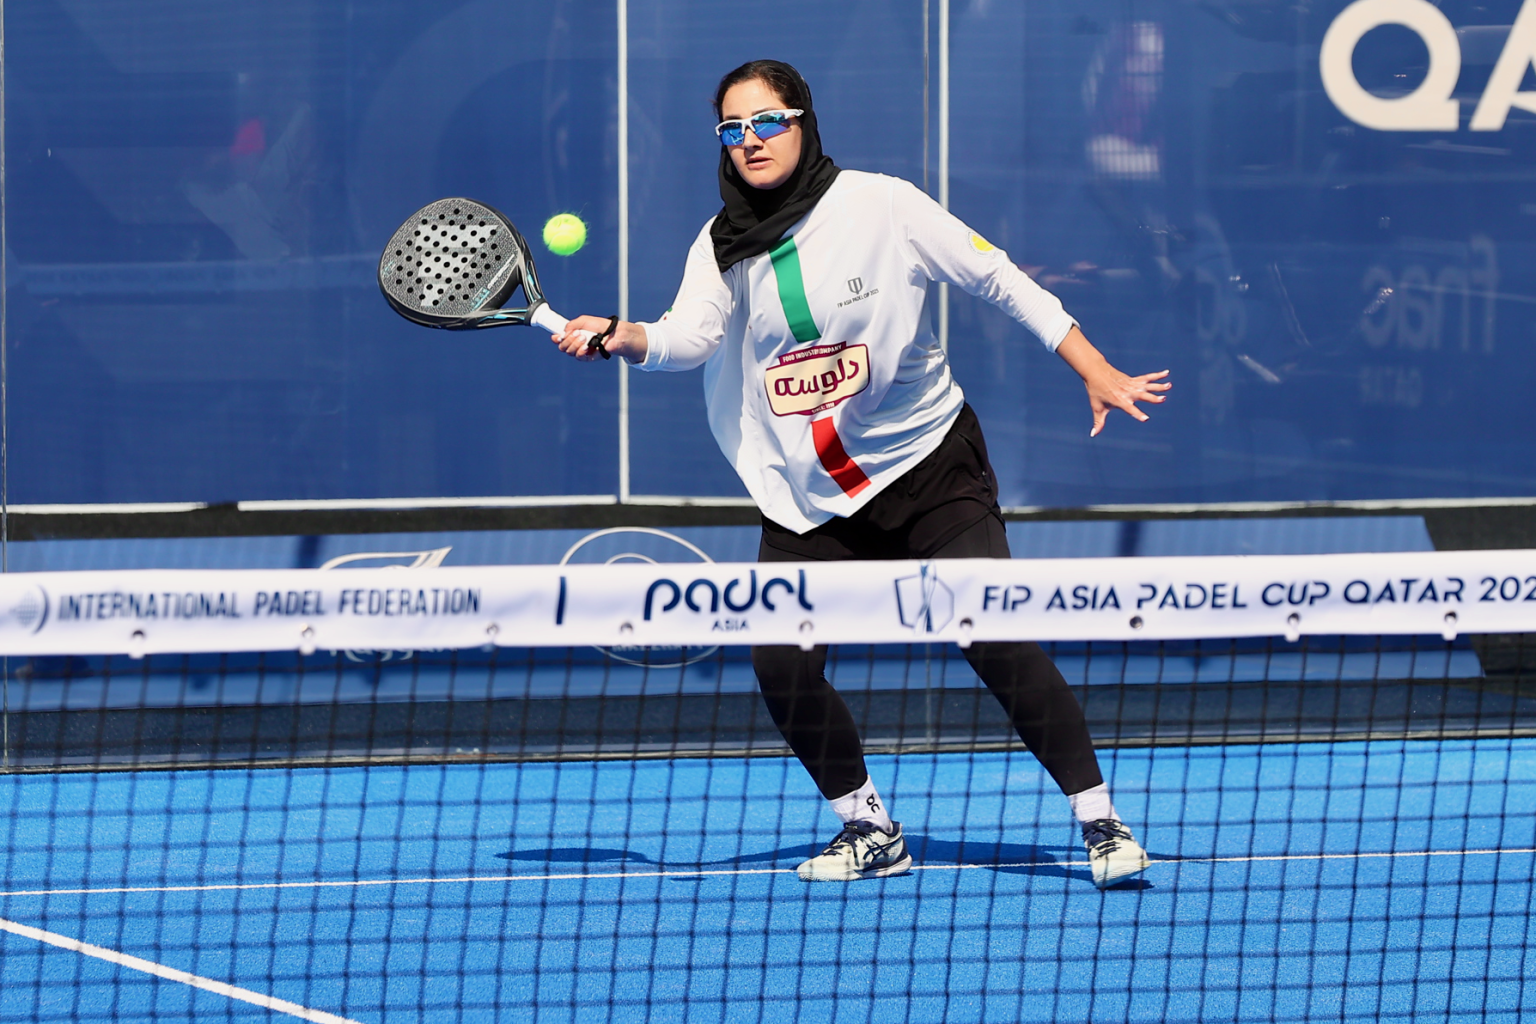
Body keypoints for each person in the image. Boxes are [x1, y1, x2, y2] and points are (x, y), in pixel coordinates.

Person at [552, 60, 1170, 888]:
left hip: (930, 467)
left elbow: (997, 277)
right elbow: (690, 338)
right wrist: (624, 334)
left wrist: (1092, 366)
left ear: (804, 122)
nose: (750, 141)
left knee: (995, 637)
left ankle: (1101, 821)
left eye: (767, 121)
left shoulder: (884, 206)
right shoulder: (719, 243)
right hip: (808, 497)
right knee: (781, 666)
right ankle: (870, 829)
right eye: (732, 130)